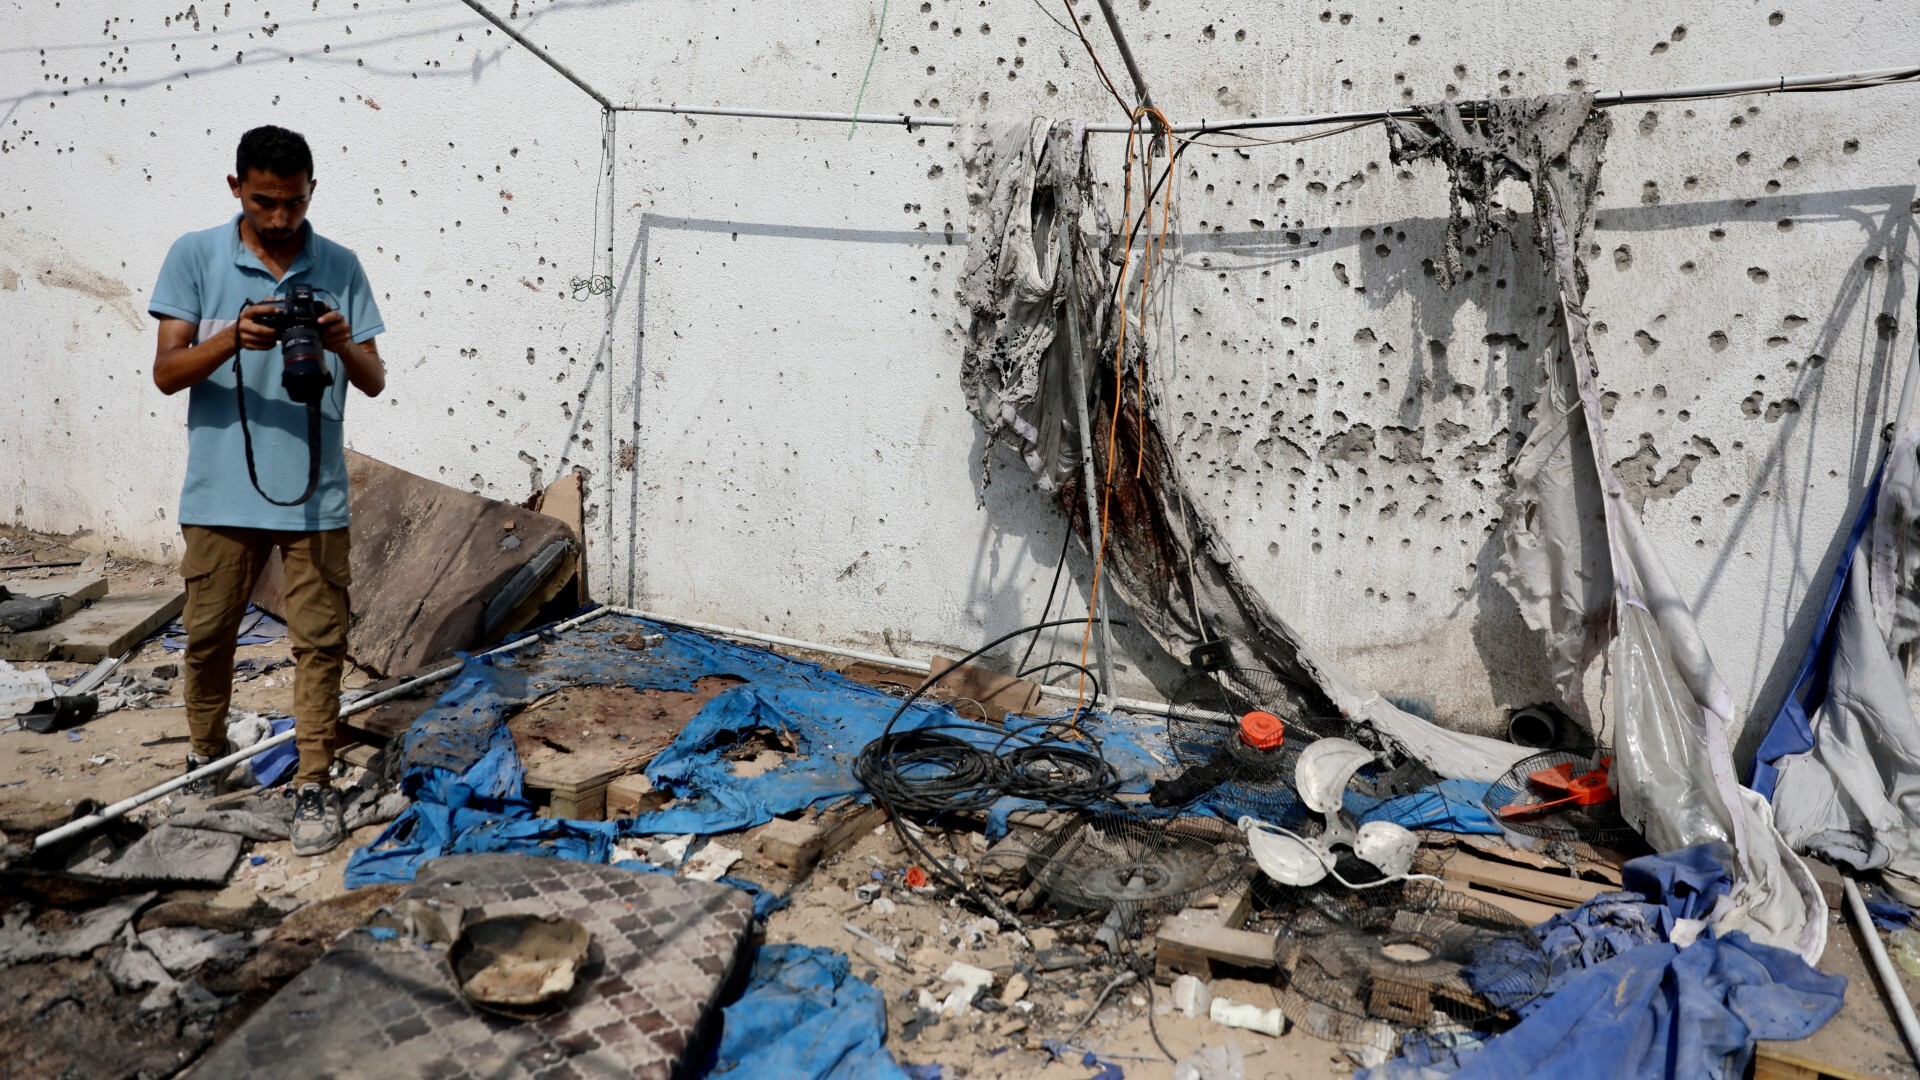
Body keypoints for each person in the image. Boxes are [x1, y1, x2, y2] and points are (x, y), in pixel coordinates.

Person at [148, 125, 385, 856]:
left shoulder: (340, 264)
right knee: (209, 634)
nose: (280, 218)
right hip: (220, 490)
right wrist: (232, 338)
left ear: (312, 188)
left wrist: (342, 342)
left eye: (293, 201)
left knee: (319, 642)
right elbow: (166, 372)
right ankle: (205, 758)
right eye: (264, 202)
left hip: (317, 495)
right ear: (235, 188)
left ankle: (314, 779)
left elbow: (374, 380)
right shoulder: (193, 255)